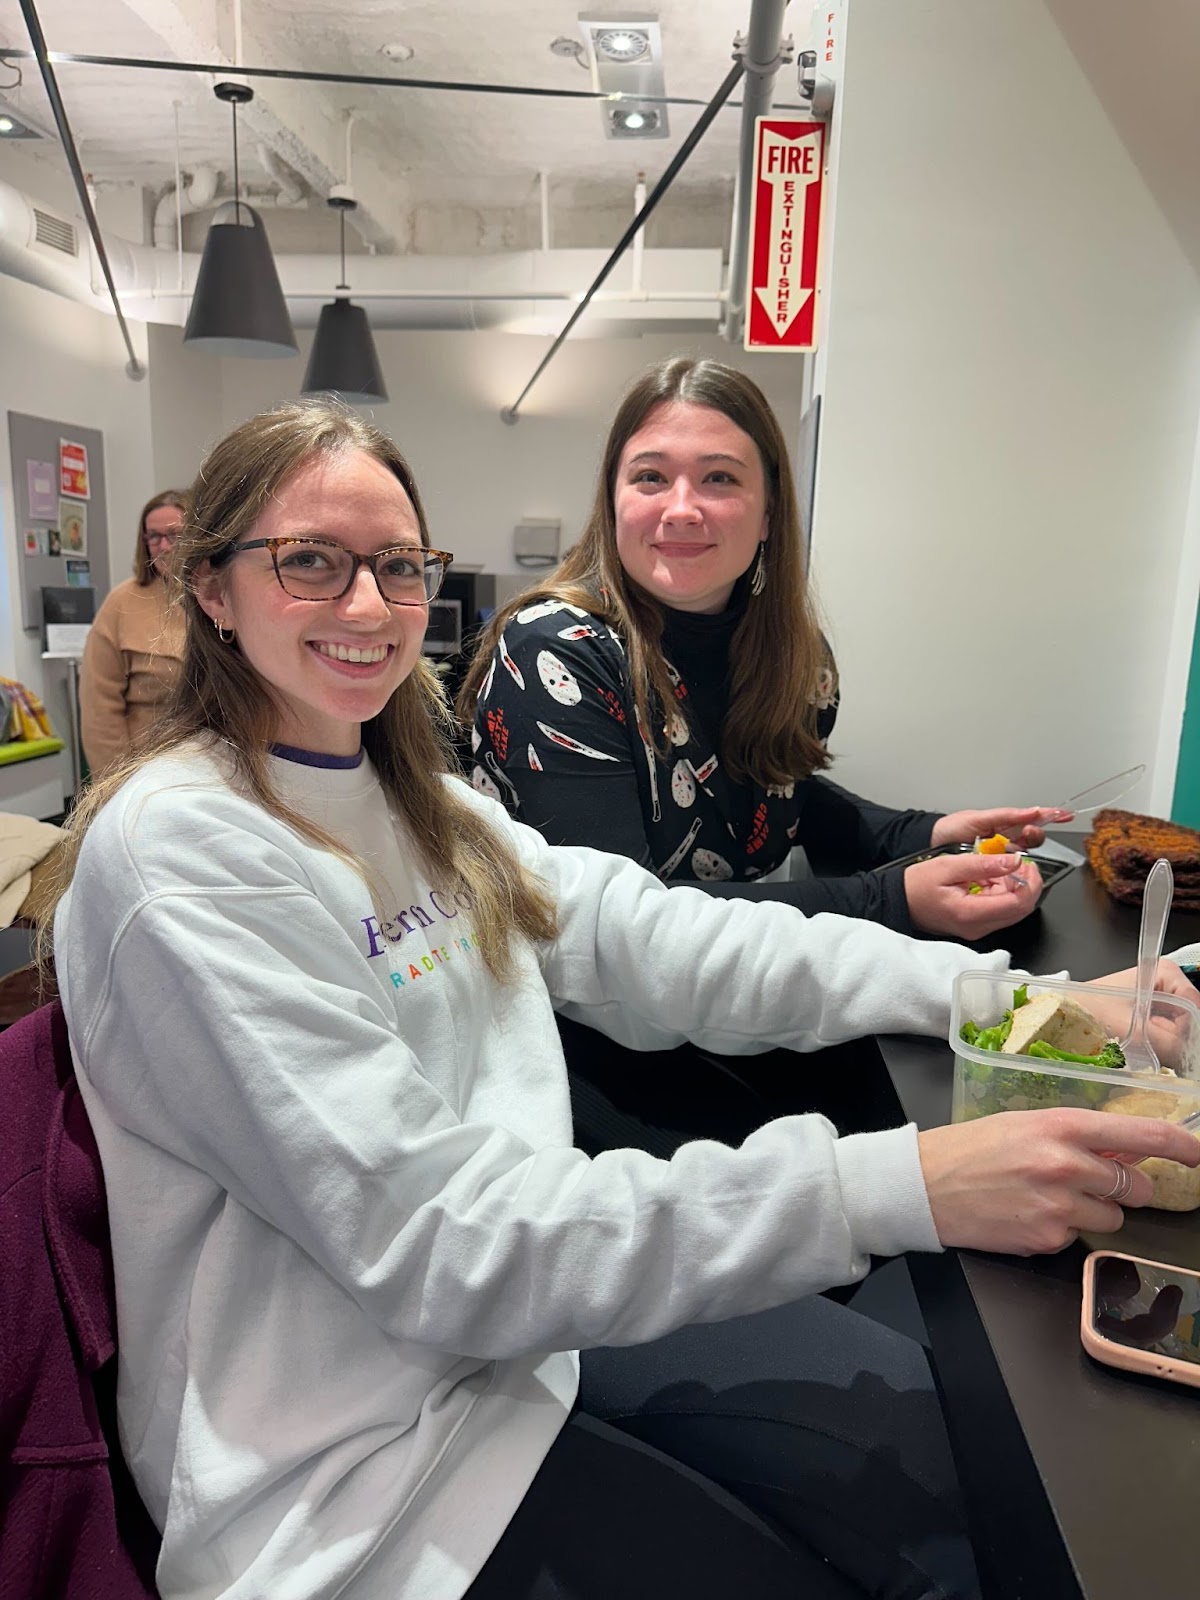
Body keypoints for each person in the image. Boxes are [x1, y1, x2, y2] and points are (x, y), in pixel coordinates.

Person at [45, 401, 1198, 1600]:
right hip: (362, 1476)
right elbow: (445, 1238)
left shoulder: (413, 797)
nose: (369, 606)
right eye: (309, 562)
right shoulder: (186, 851)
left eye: (397, 566)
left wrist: (999, 999)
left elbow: (659, 936)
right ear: (213, 589)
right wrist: (906, 1180)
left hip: (526, 1337)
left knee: (951, 1479)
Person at [460, 358, 1071, 941]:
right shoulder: (553, 651)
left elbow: (778, 790)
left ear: (769, 514)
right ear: (612, 501)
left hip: (734, 996)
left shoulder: (799, 661)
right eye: (650, 476)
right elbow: (618, 923)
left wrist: (927, 833)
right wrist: (893, 901)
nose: (681, 509)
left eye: (718, 478)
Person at [79, 488, 187, 779]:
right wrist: (116, 786)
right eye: (154, 537)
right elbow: (99, 710)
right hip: (147, 771)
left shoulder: (224, 597)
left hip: (223, 767)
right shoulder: (121, 603)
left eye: (175, 535)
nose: (164, 546)